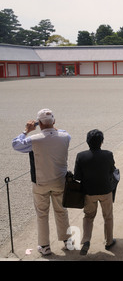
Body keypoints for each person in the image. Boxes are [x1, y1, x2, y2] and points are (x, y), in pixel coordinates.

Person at [11, 108, 72, 256]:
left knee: (42, 215)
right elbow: (61, 131)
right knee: (61, 211)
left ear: (39, 123)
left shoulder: (34, 139)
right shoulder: (65, 137)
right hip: (60, 181)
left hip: (41, 182)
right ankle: (67, 241)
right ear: (54, 122)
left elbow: (16, 144)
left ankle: (44, 246)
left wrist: (27, 130)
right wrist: (51, 126)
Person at [74, 129, 116, 255]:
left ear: (87, 141)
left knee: (88, 217)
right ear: (102, 142)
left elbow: (78, 176)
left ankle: (86, 240)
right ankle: (109, 241)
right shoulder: (108, 154)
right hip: (105, 190)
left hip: (89, 192)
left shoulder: (81, 156)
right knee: (108, 216)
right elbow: (111, 170)